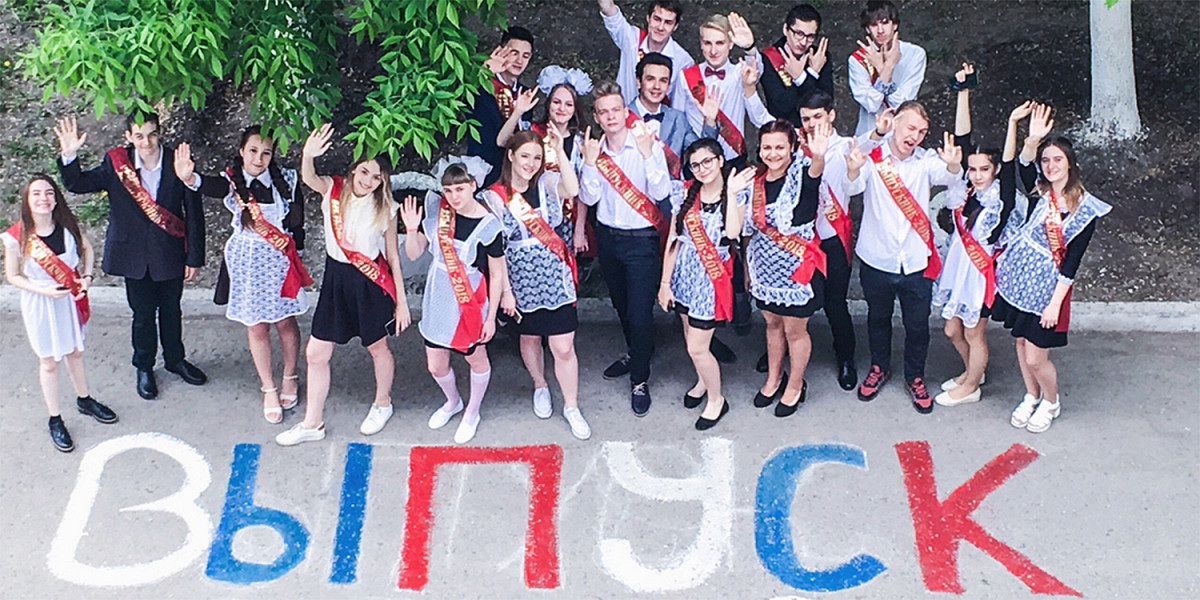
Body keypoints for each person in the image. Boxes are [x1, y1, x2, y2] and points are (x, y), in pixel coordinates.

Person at [275, 124, 411, 446]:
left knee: (377, 347)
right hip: (335, 279)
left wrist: (402, 302)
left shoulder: (386, 208)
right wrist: (308, 154)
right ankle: (312, 423)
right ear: (353, 169)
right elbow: (309, 178)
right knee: (316, 353)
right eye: (364, 171)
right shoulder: (333, 190)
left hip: (369, 283)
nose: (368, 180)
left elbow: (393, 256)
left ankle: (383, 403)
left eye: (376, 177)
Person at [55, 113, 207, 401]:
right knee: (142, 315)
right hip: (133, 254)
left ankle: (175, 360)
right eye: (139, 136)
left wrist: (194, 257)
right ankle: (144, 366)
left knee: (172, 311)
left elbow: (194, 212)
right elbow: (77, 184)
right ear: (128, 137)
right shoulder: (116, 163)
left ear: (159, 132)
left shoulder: (177, 160)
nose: (146, 142)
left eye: (151, 134)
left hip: (170, 251)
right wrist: (69, 155)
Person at [177, 126, 311, 423]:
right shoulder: (231, 181)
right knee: (257, 326)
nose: (258, 158)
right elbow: (208, 185)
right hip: (248, 261)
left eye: (266, 153)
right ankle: (268, 387)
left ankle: (290, 375)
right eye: (253, 151)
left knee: (285, 322)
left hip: (280, 260)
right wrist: (189, 178)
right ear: (241, 151)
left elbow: (297, 223)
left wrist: (298, 257)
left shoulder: (287, 180)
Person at [992, 104, 1110, 433]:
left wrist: (1055, 304)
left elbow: (1072, 263)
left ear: (1070, 163)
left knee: (1036, 356)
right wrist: (1032, 140)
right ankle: (1031, 395)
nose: (1050, 166)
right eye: (1046, 160)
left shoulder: (1085, 209)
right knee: (1020, 342)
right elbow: (1022, 166)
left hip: (1049, 291)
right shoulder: (1040, 192)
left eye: (1058, 159)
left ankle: (1051, 400)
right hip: (1020, 281)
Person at [844, 101, 961, 413]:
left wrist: (953, 165)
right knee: (878, 319)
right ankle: (879, 367)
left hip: (915, 260)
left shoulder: (926, 161)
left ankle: (915, 376)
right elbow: (851, 187)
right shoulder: (873, 157)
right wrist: (853, 168)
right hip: (876, 257)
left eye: (921, 131)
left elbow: (949, 176)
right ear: (894, 123)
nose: (915, 136)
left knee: (918, 325)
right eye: (911, 128)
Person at [483, 131, 591, 440]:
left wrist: (559, 150)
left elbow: (573, 189)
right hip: (519, 279)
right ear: (511, 156)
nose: (530, 163)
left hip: (555, 276)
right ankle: (540, 384)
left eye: (537, 158)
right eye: (525, 156)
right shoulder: (494, 197)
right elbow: (496, 251)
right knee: (529, 338)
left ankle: (571, 406)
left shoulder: (547, 183)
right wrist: (506, 292)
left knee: (563, 346)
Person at [3, 174, 117, 452]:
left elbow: (87, 249)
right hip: (39, 303)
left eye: (49, 193)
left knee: (74, 352)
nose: (43, 198)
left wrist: (87, 277)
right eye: (36, 194)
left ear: (56, 199)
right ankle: (55, 418)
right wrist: (43, 290)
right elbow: (13, 276)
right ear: (27, 200)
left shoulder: (68, 227)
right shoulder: (17, 237)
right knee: (49, 362)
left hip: (68, 300)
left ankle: (84, 399)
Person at [579, 81, 672, 416]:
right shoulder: (595, 151)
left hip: (641, 240)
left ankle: (639, 379)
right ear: (596, 117)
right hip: (609, 237)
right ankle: (636, 353)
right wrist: (590, 163)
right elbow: (588, 197)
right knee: (620, 304)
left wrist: (647, 155)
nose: (610, 117)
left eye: (615, 110)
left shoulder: (646, 143)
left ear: (624, 111)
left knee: (640, 311)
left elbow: (660, 192)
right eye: (603, 112)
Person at [932, 66, 1021, 407]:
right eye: (973, 169)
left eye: (985, 169)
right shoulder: (967, 190)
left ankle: (971, 386)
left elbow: (1010, 164)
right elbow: (963, 138)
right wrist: (963, 92)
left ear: (995, 169)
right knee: (951, 329)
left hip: (982, 273)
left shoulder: (1003, 197)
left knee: (973, 331)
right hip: (959, 265)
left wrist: (1012, 125)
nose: (978, 174)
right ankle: (973, 371)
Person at [726, 120, 828, 418]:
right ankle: (773, 378)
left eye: (780, 147)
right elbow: (743, 232)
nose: (773, 153)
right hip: (764, 268)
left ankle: (795, 385)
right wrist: (747, 269)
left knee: (795, 330)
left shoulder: (803, 174)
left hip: (798, 269)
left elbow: (816, 170)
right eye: (767, 147)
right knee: (771, 323)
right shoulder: (753, 181)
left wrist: (819, 155)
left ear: (792, 147)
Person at [401, 163, 506, 444]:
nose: (454, 196)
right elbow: (413, 253)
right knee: (436, 364)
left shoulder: (489, 225)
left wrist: (490, 318)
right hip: (438, 295)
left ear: (473, 185)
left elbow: (497, 274)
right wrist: (411, 229)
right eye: (448, 190)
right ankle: (453, 401)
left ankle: (473, 411)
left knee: (476, 358)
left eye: (460, 189)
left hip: (468, 299)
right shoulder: (440, 215)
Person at [657, 138, 741, 430]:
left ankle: (717, 399)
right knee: (687, 331)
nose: (702, 168)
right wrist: (665, 282)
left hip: (712, 276)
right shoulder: (684, 193)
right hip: (685, 272)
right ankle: (702, 381)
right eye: (695, 165)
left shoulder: (734, 193)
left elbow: (734, 232)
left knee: (697, 347)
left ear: (720, 160)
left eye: (707, 161)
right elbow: (674, 239)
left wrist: (731, 193)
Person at [784, 90, 859, 390]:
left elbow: (874, 141)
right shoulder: (794, 146)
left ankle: (846, 358)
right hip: (800, 241)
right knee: (791, 302)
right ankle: (780, 352)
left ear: (832, 115)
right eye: (806, 118)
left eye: (818, 116)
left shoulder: (848, 146)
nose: (812, 123)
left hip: (831, 238)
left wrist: (879, 132)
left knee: (835, 303)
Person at [496, 65, 592, 254]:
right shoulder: (533, 131)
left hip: (566, 218)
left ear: (575, 109)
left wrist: (579, 229)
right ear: (548, 104)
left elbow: (582, 189)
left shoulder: (581, 141)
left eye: (568, 104)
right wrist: (517, 112)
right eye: (556, 102)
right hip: (530, 212)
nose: (562, 108)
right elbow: (502, 141)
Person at [682, 13, 774, 170]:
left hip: (734, 159)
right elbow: (679, 120)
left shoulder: (739, 73)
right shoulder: (685, 76)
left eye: (720, 43)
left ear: (731, 44)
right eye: (707, 43)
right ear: (701, 44)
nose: (713, 50)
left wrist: (749, 48)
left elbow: (756, 68)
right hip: (698, 162)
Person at [468, 27, 535, 187]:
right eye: (514, 53)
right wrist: (484, 73)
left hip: (513, 173)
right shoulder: (482, 85)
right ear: (502, 51)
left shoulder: (526, 93)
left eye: (525, 56)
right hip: (481, 171)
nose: (519, 60)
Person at [847, 0, 926, 136]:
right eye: (874, 25)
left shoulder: (915, 54)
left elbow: (901, 106)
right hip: (870, 134)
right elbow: (872, 105)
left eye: (885, 22)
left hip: (903, 136)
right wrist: (886, 70)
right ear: (867, 29)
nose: (880, 30)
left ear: (895, 25)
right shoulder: (857, 60)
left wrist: (885, 68)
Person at [599, 0, 694, 107]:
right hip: (622, 114)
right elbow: (608, 8)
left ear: (675, 26)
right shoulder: (631, 39)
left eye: (668, 22)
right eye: (657, 19)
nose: (661, 27)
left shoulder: (684, 61)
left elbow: (679, 105)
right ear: (648, 18)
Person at [759, 4, 834, 129]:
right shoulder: (768, 58)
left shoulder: (820, 57)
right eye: (799, 34)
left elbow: (826, 102)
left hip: (816, 129)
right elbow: (781, 106)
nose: (803, 42)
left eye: (810, 36)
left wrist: (801, 78)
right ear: (786, 29)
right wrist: (810, 74)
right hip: (783, 131)